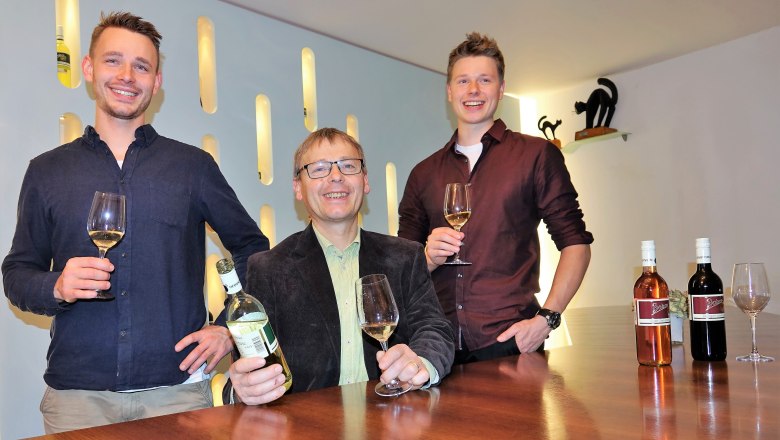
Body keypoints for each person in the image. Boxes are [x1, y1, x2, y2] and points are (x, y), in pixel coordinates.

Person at [2, 12, 268, 433]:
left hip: (178, 393)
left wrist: (226, 330)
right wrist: (56, 285)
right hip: (77, 400)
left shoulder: (193, 167)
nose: (127, 76)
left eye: (141, 66)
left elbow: (255, 250)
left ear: (156, 81)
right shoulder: (46, 171)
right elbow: (16, 274)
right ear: (88, 69)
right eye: (113, 61)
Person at [397, 32, 593, 364]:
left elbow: (576, 243)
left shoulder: (535, 155)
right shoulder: (423, 173)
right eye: (463, 81)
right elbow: (401, 267)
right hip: (436, 349)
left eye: (484, 80)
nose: (473, 90)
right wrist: (428, 257)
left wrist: (547, 319)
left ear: (500, 89)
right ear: (449, 92)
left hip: (511, 344)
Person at [224, 128, 454, 405]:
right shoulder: (268, 267)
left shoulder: (406, 256)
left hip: (394, 419)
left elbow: (435, 329)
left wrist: (421, 364)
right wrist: (242, 389)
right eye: (319, 169)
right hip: (308, 425)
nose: (336, 177)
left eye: (348, 166)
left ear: (365, 181)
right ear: (298, 187)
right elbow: (249, 365)